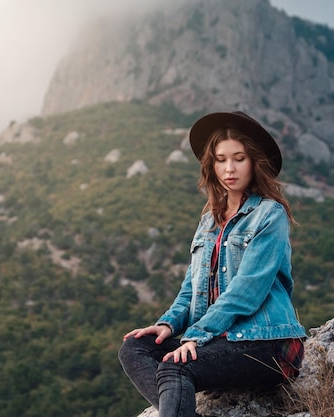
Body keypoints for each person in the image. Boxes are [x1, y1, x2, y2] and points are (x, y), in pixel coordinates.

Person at [118, 111, 307, 417]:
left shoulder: (269, 215)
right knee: (135, 347)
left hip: (268, 343)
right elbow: (190, 288)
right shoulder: (209, 221)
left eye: (239, 158)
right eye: (221, 159)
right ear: (212, 164)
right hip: (220, 341)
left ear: (254, 162)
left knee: (175, 369)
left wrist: (194, 336)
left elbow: (246, 292)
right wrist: (169, 324)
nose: (229, 168)